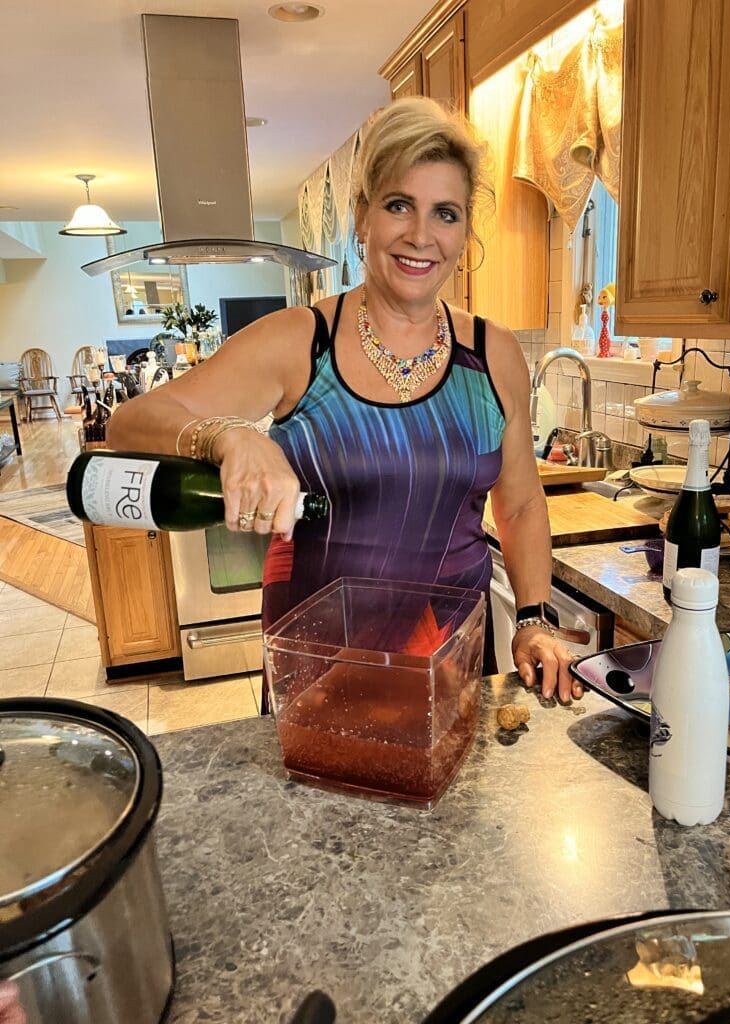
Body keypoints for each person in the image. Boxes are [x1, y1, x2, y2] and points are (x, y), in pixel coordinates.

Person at [106, 96, 580, 703]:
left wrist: (535, 621)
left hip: (454, 654)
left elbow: (518, 506)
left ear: (465, 233)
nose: (420, 235)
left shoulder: (494, 353)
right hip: (319, 666)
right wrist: (229, 437)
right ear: (362, 218)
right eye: (398, 205)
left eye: (446, 213)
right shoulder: (301, 342)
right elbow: (130, 422)